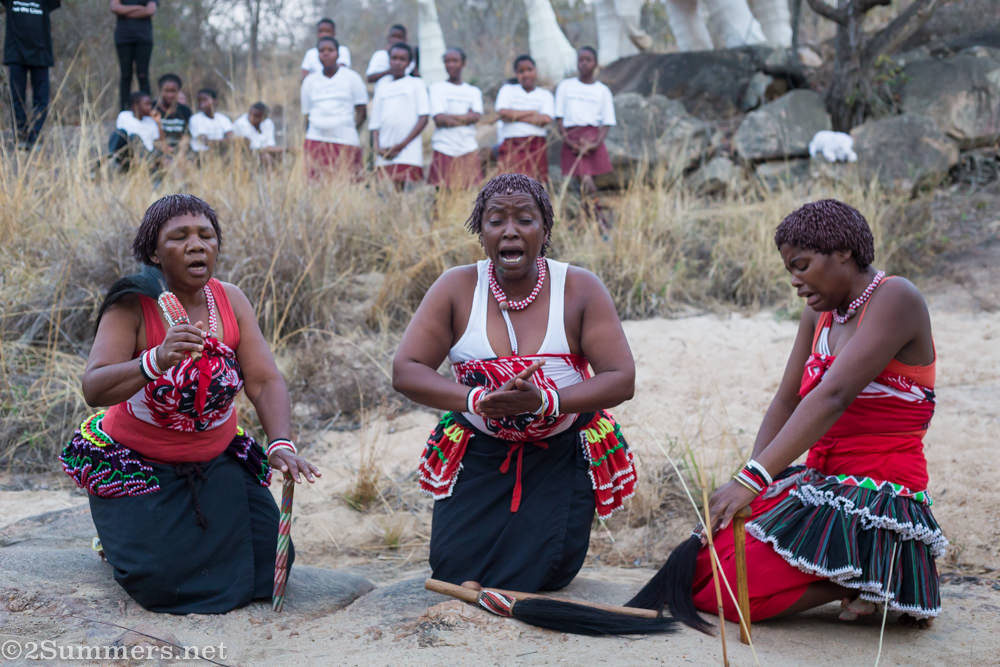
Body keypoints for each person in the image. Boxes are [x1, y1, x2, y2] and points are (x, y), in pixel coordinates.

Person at [60, 194, 320, 614]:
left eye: (206, 235)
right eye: (179, 237)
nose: (197, 245)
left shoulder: (230, 299)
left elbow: (264, 378)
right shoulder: (132, 304)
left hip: (215, 458)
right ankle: (113, 535)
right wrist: (155, 359)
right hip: (140, 464)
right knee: (161, 585)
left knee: (270, 567)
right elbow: (94, 387)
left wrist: (281, 443)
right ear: (154, 253)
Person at [694, 199, 945, 626]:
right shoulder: (820, 314)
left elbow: (835, 394)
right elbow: (788, 399)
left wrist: (751, 480)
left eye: (802, 265)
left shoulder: (896, 298)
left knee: (727, 593)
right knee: (702, 565)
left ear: (842, 252)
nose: (795, 281)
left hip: (876, 494)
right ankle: (852, 579)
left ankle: (874, 576)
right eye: (790, 270)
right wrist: (755, 481)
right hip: (820, 482)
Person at [392, 173, 638, 591]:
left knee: (542, 573)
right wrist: (477, 399)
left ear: (545, 230)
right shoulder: (456, 287)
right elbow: (407, 368)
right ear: (481, 231)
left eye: (525, 219)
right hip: (481, 450)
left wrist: (545, 401)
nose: (510, 231)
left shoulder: (579, 287)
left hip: (559, 452)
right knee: (452, 568)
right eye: (495, 220)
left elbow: (621, 378)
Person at [554, 46, 615, 228]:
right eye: (581, 59)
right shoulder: (566, 86)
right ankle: (600, 217)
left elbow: (607, 122)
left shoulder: (603, 91)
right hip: (573, 139)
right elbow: (559, 118)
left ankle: (589, 219)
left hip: (592, 139)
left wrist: (595, 143)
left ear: (595, 63)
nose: (583, 63)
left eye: (588, 59)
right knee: (585, 179)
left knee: (587, 181)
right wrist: (568, 140)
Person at [300, 36, 367, 180]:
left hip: (345, 139)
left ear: (338, 54)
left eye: (330, 50)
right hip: (316, 139)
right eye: (322, 50)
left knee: (348, 182)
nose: (326, 53)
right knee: (316, 183)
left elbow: (362, 111)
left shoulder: (352, 78)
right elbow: (306, 114)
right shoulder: (310, 81)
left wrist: (348, 128)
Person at [2, 0, 60, 149]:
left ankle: (34, 135)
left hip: (41, 52)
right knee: (17, 96)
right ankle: (21, 133)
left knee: (42, 98)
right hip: (16, 52)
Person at [370, 43, 428, 188]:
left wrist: (402, 145)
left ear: (409, 63)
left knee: (407, 193)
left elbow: (423, 118)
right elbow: (375, 122)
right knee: (386, 193)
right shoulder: (382, 86)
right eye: (394, 58)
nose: (397, 62)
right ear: (389, 61)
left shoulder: (416, 84)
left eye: (402, 59)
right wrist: (378, 148)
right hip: (384, 152)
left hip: (408, 151)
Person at [427, 48, 482, 189]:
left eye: (455, 61)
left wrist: (449, 117)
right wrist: (466, 117)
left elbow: (476, 117)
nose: (451, 65)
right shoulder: (436, 88)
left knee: (467, 192)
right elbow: (439, 119)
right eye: (447, 61)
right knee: (442, 193)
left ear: (463, 63)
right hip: (444, 146)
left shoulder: (473, 91)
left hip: (467, 146)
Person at [495, 54, 554, 184]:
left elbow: (546, 119)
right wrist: (532, 112)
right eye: (521, 71)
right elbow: (503, 113)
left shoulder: (545, 95)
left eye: (529, 70)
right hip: (511, 143)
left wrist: (514, 116)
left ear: (535, 71)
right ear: (516, 74)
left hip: (536, 145)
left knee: (535, 186)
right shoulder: (507, 90)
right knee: (508, 185)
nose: (526, 74)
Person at [110, 0, 157, 111]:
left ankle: (146, 108)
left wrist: (125, 10)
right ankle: (124, 109)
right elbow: (115, 8)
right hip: (123, 38)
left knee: (143, 74)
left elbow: (150, 10)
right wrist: (139, 8)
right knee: (126, 75)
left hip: (144, 38)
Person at [112, 90, 162, 157]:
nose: (150, 107)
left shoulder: (151, 121)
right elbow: (123, 136)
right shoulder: (124, 115)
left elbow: (159, 142)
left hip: (146, 154)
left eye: (150, 104)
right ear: (135, 105)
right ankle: (111, 156)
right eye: (147, 104)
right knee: (120, 133)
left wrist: (158, 123)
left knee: (135, 138)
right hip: (128, 152)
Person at [154, 73, 192, 158]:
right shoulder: (153, 108)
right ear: (160, 91)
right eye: (166, 91)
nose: (170, 95)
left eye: (173, 91)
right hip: (159, 148)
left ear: (178, 91)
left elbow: (186, 136)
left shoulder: (185, 110)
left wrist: (180, 154)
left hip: (180, 150)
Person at [188, 88, 234, 155]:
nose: (201, 103)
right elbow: (205, 141)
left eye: (205, 100)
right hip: (201, 154)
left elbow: (231, 137)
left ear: (215, 101)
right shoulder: (195, 119)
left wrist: (226, 142)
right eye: (199, 101)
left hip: (220, 152)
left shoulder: (223, 119)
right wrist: (225, 142)